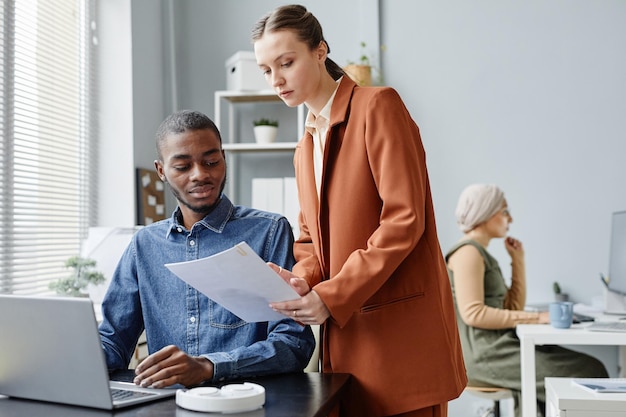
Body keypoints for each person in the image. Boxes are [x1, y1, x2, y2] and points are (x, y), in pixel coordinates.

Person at [251, 5, 467, 417]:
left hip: (399, 343)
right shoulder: (304, 146)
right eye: (265, 70)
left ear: (320, 51)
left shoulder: (377, 106)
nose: (276, 80)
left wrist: (330, 297)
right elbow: (311, 239)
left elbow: (405, 219)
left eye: (286, 62)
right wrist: (299, 282)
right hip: (345, 346)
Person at [98, 110, 315, 389]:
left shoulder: (269, 232)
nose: (200, 174)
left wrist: (209, 367)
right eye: (182, 167)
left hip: (248, 402)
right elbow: (113, 339)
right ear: (161, 170)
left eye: (211, 161)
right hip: (167, 404)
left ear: (223, 158)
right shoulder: (145, 244)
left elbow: (293, 343)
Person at [446, 184, 608, 417]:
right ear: (485, 212)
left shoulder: (481, 253)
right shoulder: (468, 253)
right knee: (591, 370)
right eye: (504, 211)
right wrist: (537, 318)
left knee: (577, 367)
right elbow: (474, 314)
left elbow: (513, 308)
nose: (509, 218)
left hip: (499, 348)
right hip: (486, 356)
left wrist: (518, 260)